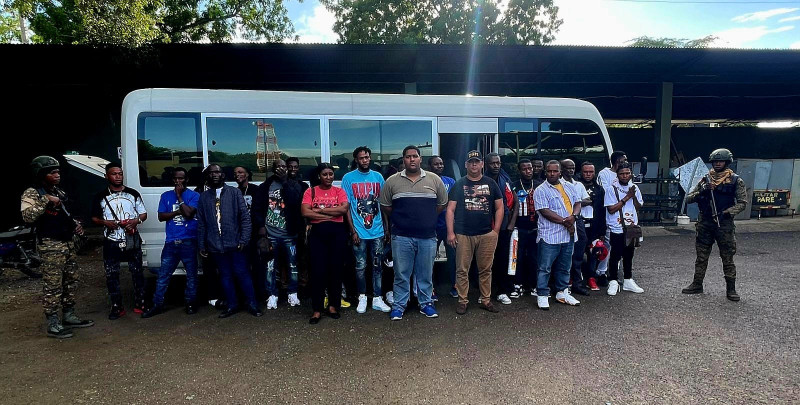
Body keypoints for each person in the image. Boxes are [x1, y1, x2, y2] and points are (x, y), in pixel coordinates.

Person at [21, 156, 93, 338]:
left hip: (67, 242)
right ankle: (53, 323)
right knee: (53, 284)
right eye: (53, 172)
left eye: (58, 171)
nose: (57, 175)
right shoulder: (33, 193)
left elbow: (64, 214)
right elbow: (27, 216)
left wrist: (75, 224)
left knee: (70, 280)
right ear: (42, 174)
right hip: (50, 244)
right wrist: (45, 199)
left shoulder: (59, 192)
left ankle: (69, 315)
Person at [381, 146, 448, 320]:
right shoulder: (392, 181)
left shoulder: (434, 180)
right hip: (401, 236)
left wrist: (427, 219)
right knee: (401, 273)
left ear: (420, 159)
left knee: (425, 273)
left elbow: (441, 204)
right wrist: (402, 219)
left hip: (427, 236)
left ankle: (426, 304)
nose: (412, 159)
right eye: (408, 157)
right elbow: (386, 206)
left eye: (415, 156)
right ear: (403, 160)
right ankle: (399, 305)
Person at [196, 164, 262, 318]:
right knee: (225, 276)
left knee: (243, 274)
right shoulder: (204, 197)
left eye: (217, 172)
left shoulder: (234, 193)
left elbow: (245, 218)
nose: (214, 175)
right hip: (215, 245)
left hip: (236, 243)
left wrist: (244, 239)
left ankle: (252, 304)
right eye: (211, 173)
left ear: (223, 175)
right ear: (208, 176)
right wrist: (202, 244)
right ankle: (232, 305)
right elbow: (201, 223)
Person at [682, 148, 747, 301]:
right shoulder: (705, 179)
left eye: (721, 161)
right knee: (701, 257)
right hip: (705, 223)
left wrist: (727, 212)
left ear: (727, 162)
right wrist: (703, 191)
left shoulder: (736, 180)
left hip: (724, 225)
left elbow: (743, 203)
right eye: (715, 161)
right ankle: (697, 284)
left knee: (727, 257)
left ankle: (731, 289)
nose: (718, 164)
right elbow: (688, 198)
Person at [446, 150, 504, 315]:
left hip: (486, 234)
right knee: (462, 269)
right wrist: (451, 233)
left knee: (486, 269)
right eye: (471, 162)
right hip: (463, 234)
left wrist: (496, 231)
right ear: (466, 165)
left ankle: (485, 300)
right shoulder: (459, 184)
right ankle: (462, 301)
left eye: (477, 162)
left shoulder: (491, 183)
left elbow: (499, 208)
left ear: (481, 164)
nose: (474, 164)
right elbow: (450, 210)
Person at [91, 162, 148, 320]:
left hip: (131, 238)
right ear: (106, 176)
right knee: (111, 275)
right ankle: (117, 307)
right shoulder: (100, 196)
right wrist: (105, 223)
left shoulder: (133, 193)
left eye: (120, 174)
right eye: (114, 174)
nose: (118, 177)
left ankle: (140, 303)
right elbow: (94, 218)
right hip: (111, 240)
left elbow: (143, 214)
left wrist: (135, 221)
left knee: (137, 272)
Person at [142, 167, 200, 318]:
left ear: (186, 180)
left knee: (192, 276)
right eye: (176, 178)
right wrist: (176, 212)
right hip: (171, 242)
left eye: (181, 178)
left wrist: (180, 198)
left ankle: (191, 303)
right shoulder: (165, 196)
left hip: (189, 240)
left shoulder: (194, 195)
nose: (178, 181)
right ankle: (157, 304)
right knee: (163, 275)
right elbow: (161, 216)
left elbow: (188, 214)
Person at [342, 146, 392, 313]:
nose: (365, 160)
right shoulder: (348, 178)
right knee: (360, 266)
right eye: (361, 158)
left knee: (378, 266)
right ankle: (362, 297)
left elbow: (383, 204)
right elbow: (347, 207)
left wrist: (386, 228)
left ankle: (378, 298)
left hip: (377, 230)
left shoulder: (378, 177)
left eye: (367, 157)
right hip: (359, 232)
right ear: (356, 160)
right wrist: (352, 231)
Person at [253, 159, 304, 309]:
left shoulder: (295, 185)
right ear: (274, 169)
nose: (282, 169)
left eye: (284, 167)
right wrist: (261, 227)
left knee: (293, 265)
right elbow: (256, 208)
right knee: (269, 266)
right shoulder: (265, 186)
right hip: (270, 234)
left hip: (289, 234)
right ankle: (272, 295)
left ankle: (293, 293)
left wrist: (285, 181)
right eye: (279, 167)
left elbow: (295, 202)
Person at [302, 163, 350, 324]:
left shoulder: (339, 191)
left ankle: (333, 306)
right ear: (319, 176)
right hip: (318, 236)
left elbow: (343, 210)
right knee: (318, 272)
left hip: (337, 235)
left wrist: (319, 211)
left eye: (331, 174)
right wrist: (331, 213)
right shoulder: (311, 191)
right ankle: (316, 309)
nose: (329, 177)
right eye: (325, 174)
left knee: (335, 271)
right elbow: (305, 211)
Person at [532, 160, 581, 310]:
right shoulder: (540, 190)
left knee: (565, 266)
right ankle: (542, 294)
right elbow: (544, 211)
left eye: (555, 171)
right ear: (545, 172)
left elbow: (578, 203)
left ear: (560, 172)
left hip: (569, 234)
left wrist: (574, 216)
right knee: (544, 267)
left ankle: (562, 292)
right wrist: (566, 222)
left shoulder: (569, 186)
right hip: (550, 235)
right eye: (549, 171)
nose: (552, 174)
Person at [604, 162, 645, 296]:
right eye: (622, 174)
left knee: (629, 254)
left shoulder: (634, 188)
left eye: (627, 173)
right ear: (617, 175)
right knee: (615, 254)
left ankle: (628, 280)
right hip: (616, 226)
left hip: (631, 226)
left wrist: (633, 198)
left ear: (631, 174)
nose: (625, 176)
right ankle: (613, 281)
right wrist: (627, 197)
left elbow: (638, 207)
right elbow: (611, 209)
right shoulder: (611, 189)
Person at [484, 153, 518, 305]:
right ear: (486, 164)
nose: (496, 166)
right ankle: (485, 293)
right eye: (492, 163)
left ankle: (502, 291)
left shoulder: (506, 180)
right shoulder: (482, 180)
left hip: (504, 228)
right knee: (485, 262)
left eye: (498, 163)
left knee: (502, 260)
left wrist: (511, 224)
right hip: (485, 228)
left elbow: (515, 203)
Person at [510, 159, 543, 298]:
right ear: (519, 170)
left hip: (537, 228)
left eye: (530, 168)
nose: (528, 171)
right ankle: (518, 285)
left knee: (535, 258)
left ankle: (534, 285)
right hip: (519, 228)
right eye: (524, 169)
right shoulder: (514, 186)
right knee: (517, 258)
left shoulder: (540, 185)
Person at [561, 159, 591, 296]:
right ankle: (562, 285)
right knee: (562, 254)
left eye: (573, 168)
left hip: (577, 220)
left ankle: (577, 284)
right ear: (562, 169)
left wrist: (574, 201)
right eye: (568, 168)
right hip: (563, 220)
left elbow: (588, 200)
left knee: (578, 253)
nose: (571, 170)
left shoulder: (578, 184)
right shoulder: (558, 184)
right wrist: (577, 201)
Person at [428, 155, 457, 298]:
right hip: (432, 225)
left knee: (454, 257)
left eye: (441, 163)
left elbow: (455, 202)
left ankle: (455, 286)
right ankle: (430, 288)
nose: (439, 166)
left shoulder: (450, 181)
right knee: (429, 259)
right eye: (436, 164)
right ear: (429, 166)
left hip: (449, 226)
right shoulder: (426, 181)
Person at [596, 150, 627, 280]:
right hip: (609, 213)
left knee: (621, 245)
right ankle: (601, 271)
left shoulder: (626, 174)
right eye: (624, 160)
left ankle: (614, 271)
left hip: (624, 215)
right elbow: (607, 192)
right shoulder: (604, 173)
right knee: (608, 243)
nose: (626, 163)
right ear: (617, 161)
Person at [579, 161, 606, 291]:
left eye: (591, 172)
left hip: (594, 226)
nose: (588, 174)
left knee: (594, 253)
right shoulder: (576, 186)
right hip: (579, 225)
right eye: (585, 172)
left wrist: (602, 231)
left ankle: (591, 278)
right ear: (581, 172)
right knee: (577, 254)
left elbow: (602, 211)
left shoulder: (599, 189)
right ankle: (575, 278)